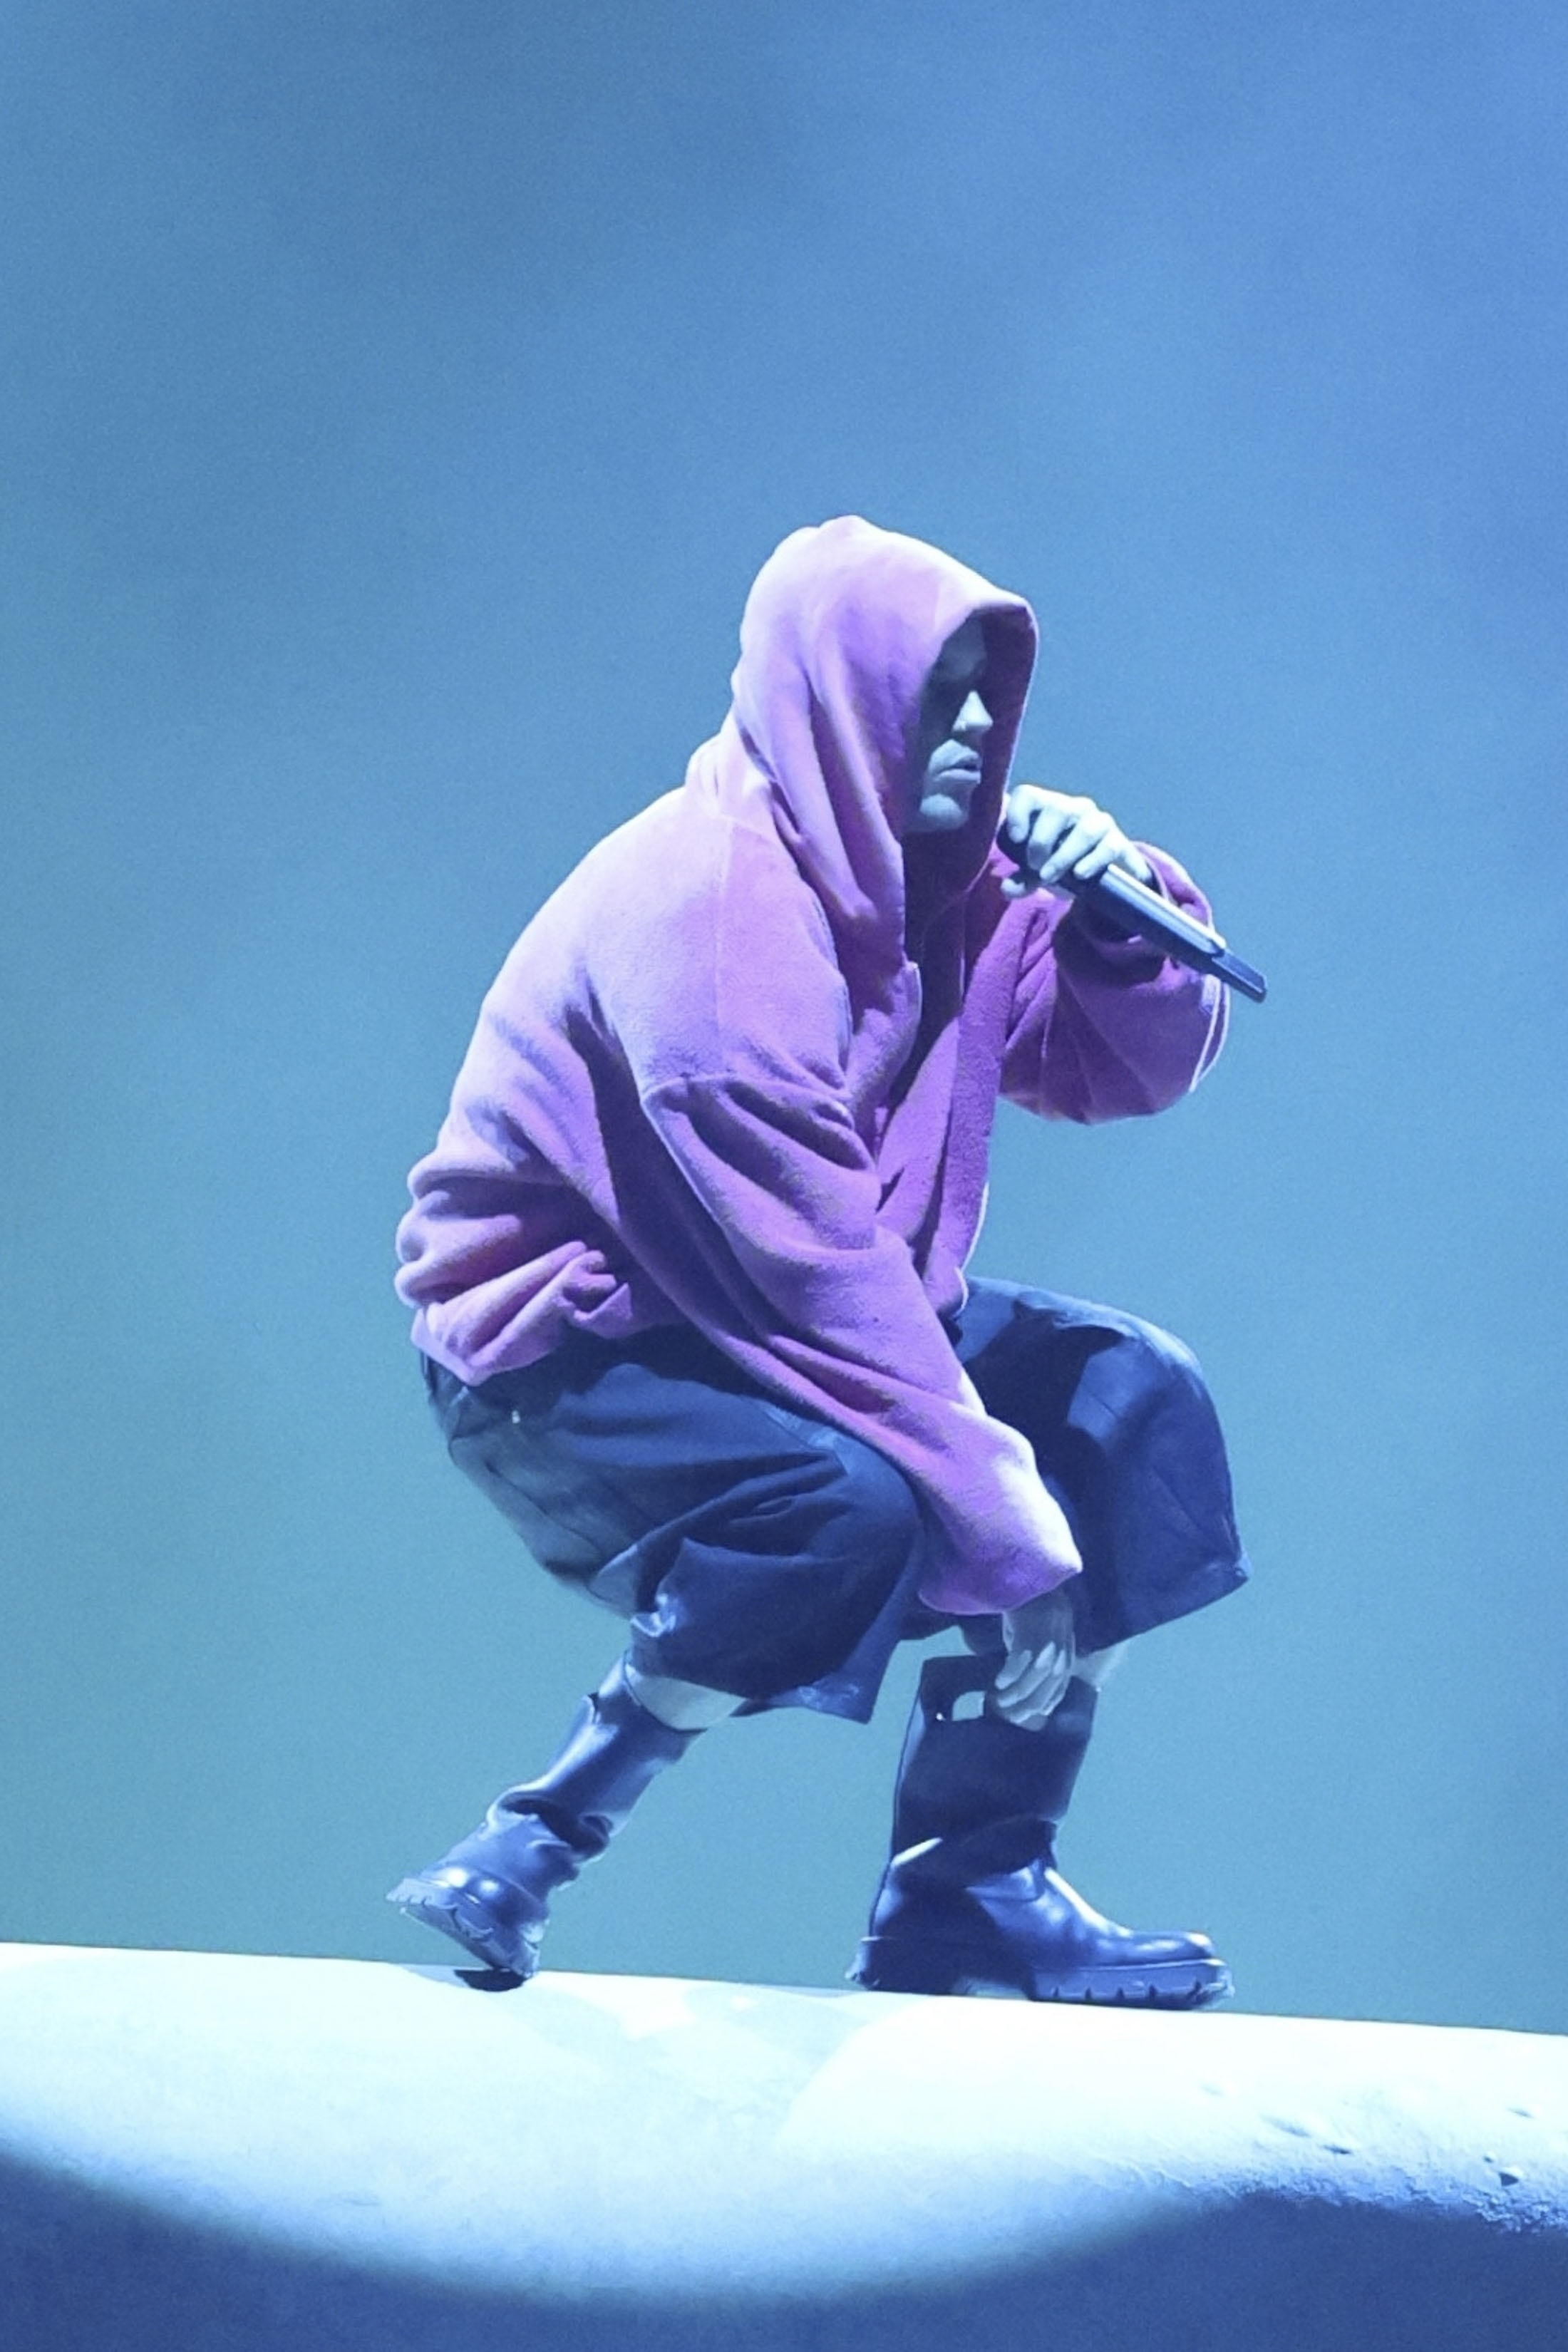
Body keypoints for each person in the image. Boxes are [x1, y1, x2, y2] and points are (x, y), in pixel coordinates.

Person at [389, 515, 1249, 2003]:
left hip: (769, 1306)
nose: (976, 727)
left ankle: (967, 1891)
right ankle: (530, 1843)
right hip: (570, 1345)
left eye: (991, 693)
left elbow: (1114, 1069)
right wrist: (1011, 1539)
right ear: (836, 699)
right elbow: (808, 1273)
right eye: (936, 692)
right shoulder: (708, 909)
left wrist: (1122, 926)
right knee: (841, 1499)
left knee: (1124, 1406)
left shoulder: (941, 887)